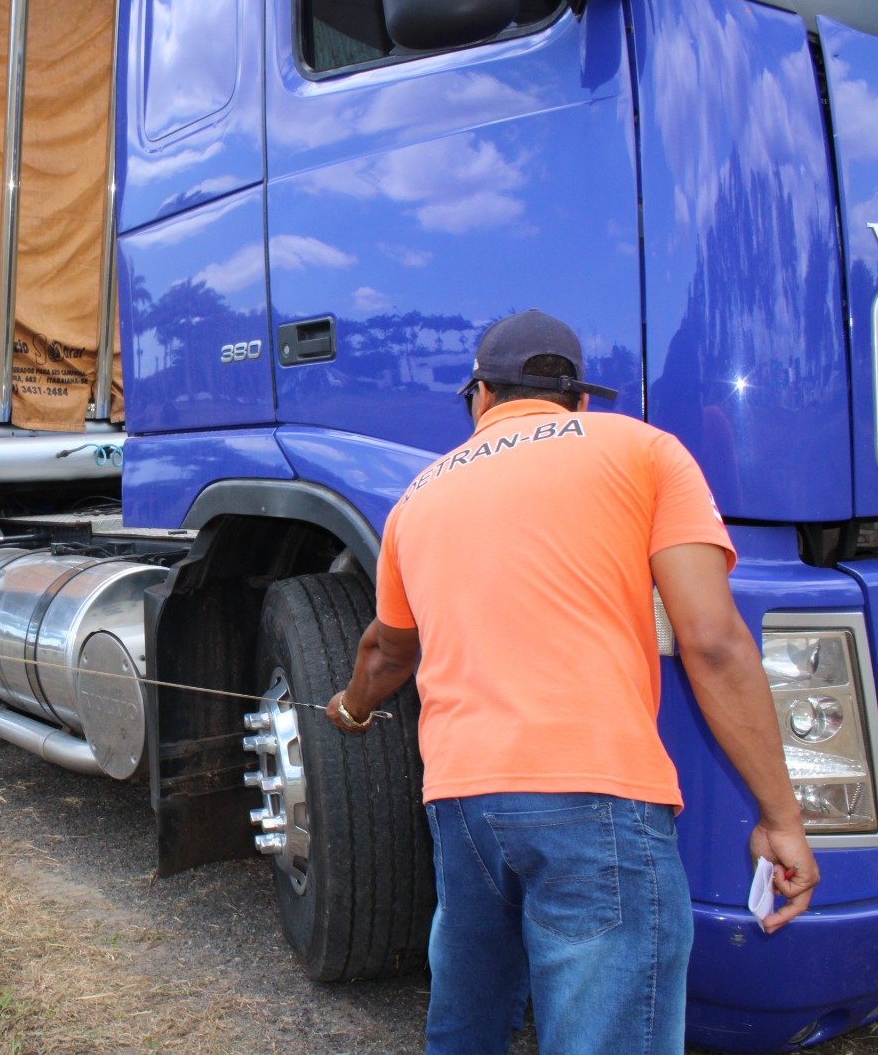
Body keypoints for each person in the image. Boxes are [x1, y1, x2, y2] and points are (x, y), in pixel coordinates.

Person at [326, 310, 818, 1054]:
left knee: (467, 1021)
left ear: (480, 397)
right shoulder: (642, 449)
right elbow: (714, 643)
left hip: (462, 803)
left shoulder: (417, 496)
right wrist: (780, 816)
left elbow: (386, 653)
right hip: (596, 796)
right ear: (579, 399)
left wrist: (351, 709)